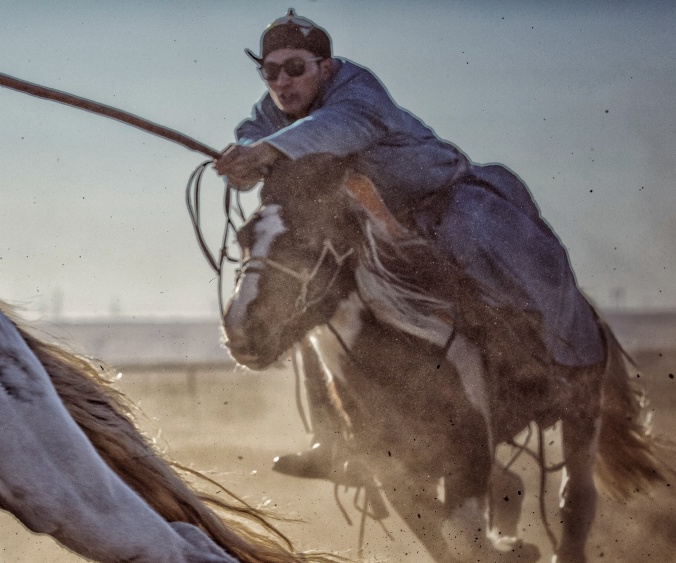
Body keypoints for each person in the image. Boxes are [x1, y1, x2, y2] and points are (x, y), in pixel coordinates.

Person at [215, 9, 605, 482]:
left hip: (442, 203)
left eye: (294, 67)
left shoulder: (358, 92)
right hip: (369, 225)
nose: (281, 81)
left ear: (325, 67)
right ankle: (331, 439)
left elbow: (340, 128)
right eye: (270, 71)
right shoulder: (271, 112)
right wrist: (243, 161)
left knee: (497, 247)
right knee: (309, 294)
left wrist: (268, 150)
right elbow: (253, 138)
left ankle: (558, 361)